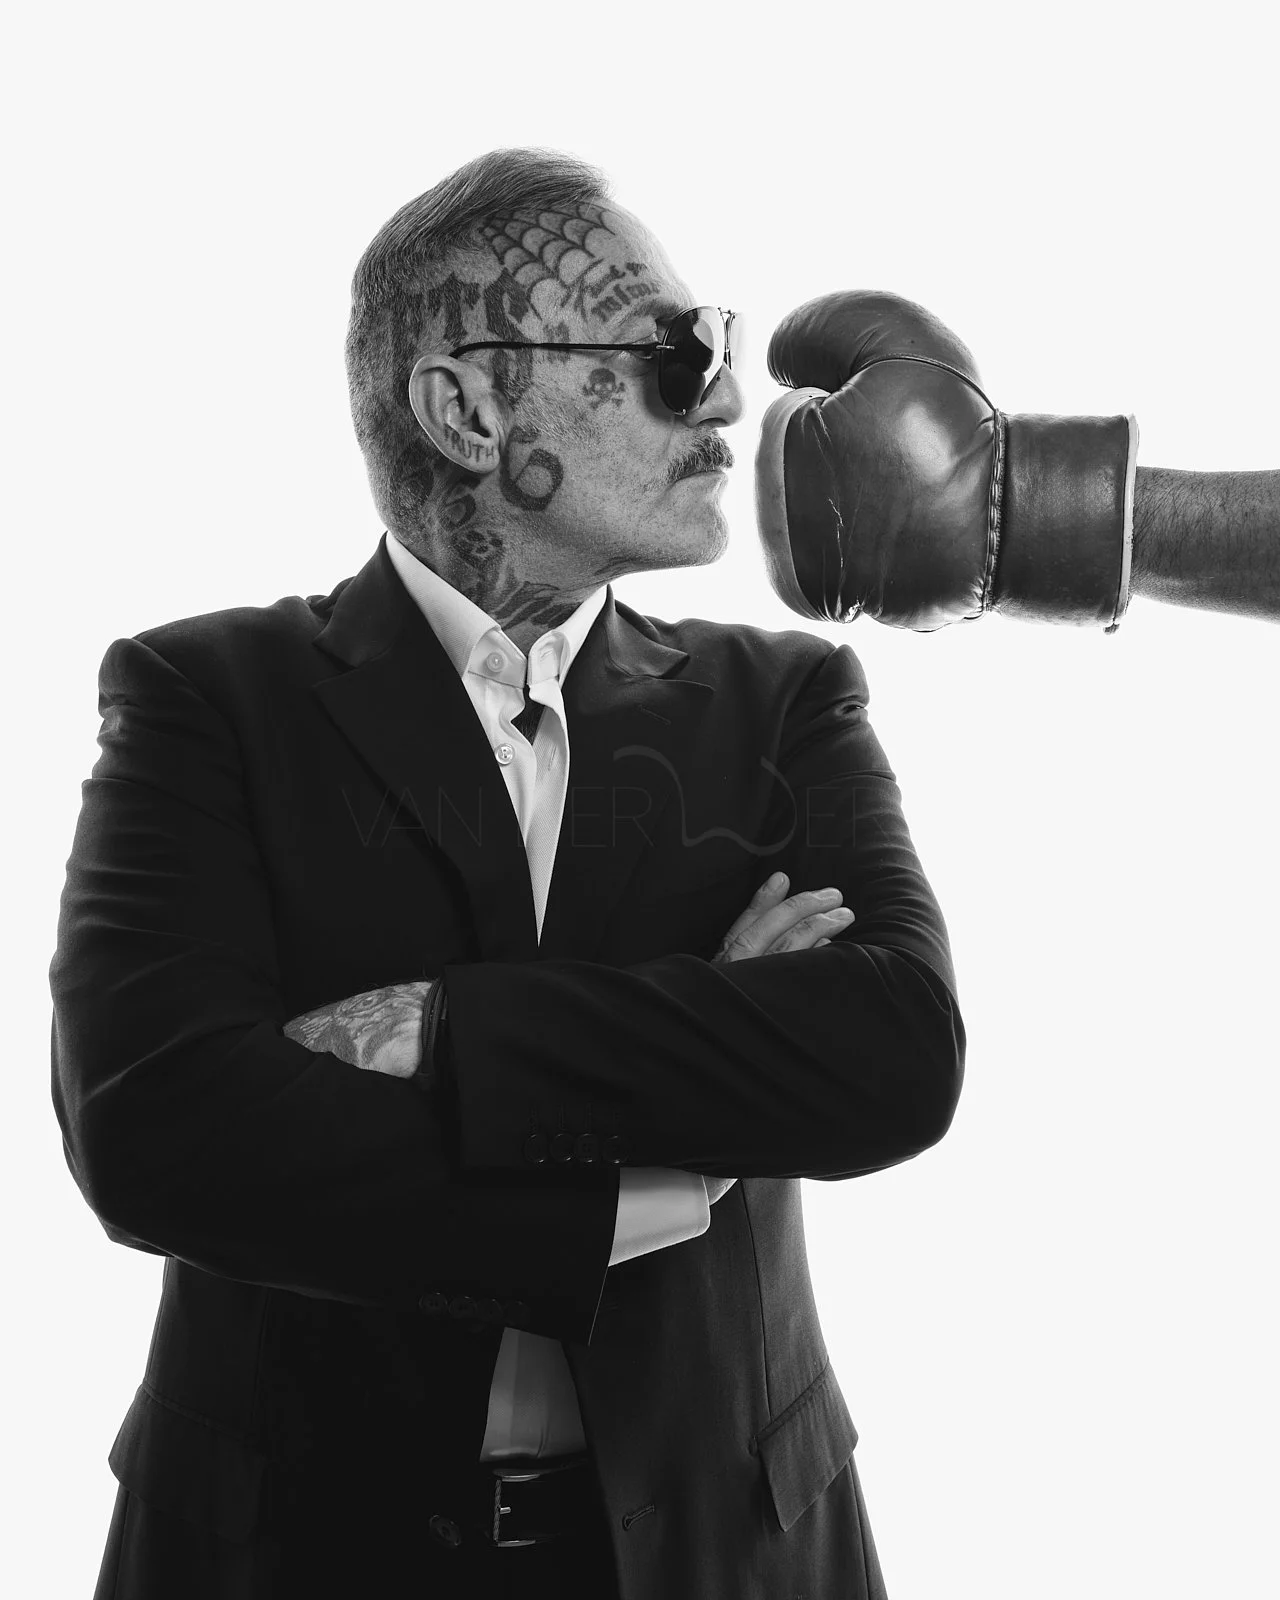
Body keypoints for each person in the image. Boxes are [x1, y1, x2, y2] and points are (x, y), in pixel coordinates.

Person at [50, 151, 964, 1600]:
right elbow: (157, 1131)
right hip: (291, 1555)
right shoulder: (203, 697)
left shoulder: (785, 701)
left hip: (725, 1551)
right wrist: (680, 1150)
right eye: (673, 351)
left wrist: (451, 1033)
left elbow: (896, 1058)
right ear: (467, 410)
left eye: (715, 350)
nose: (725, 403)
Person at [754, 290, 1279, 629]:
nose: (726, 396)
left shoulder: (790, 699)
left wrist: (1008, 510)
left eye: (712, 333)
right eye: (683, 345)